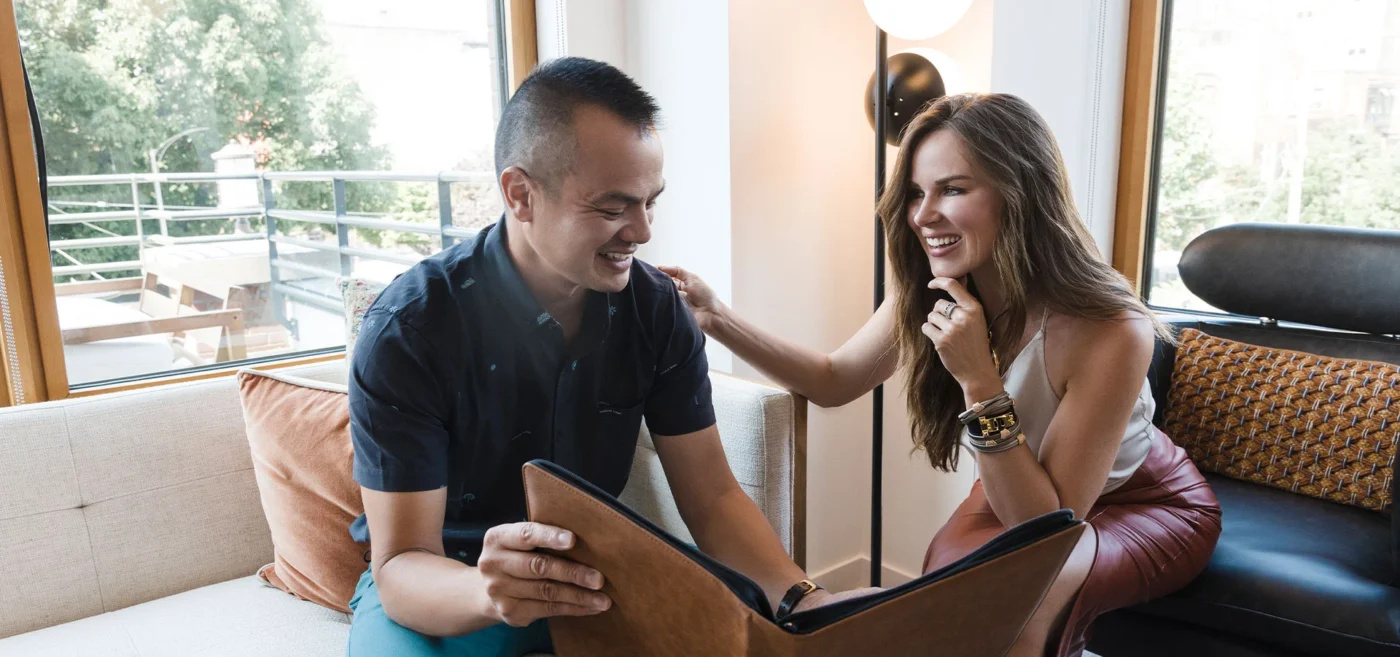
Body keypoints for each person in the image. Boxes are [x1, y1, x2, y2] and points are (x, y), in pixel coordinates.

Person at [660, 93, 1222, 657]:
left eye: (952, 189)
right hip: (1031, 486)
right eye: (915, 193)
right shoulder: (932, 289)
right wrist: (716, 316)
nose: (924, 214)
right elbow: (834, 380)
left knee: (1019, 601)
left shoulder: (1111, 326)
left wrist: (978, 380)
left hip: (1145, 501)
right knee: (944, 596)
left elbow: (1043, 535)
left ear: (1020, 192)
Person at [346, 57, 851, 657]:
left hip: (592, 574)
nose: (641, 231)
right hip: (449, 586)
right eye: (613, 208)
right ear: (520, 194)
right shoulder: (409, 331)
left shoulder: (656, 310)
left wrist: (801, 597)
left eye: (650, 203)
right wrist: (488, 592)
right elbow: (403, 563)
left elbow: (712, 498)